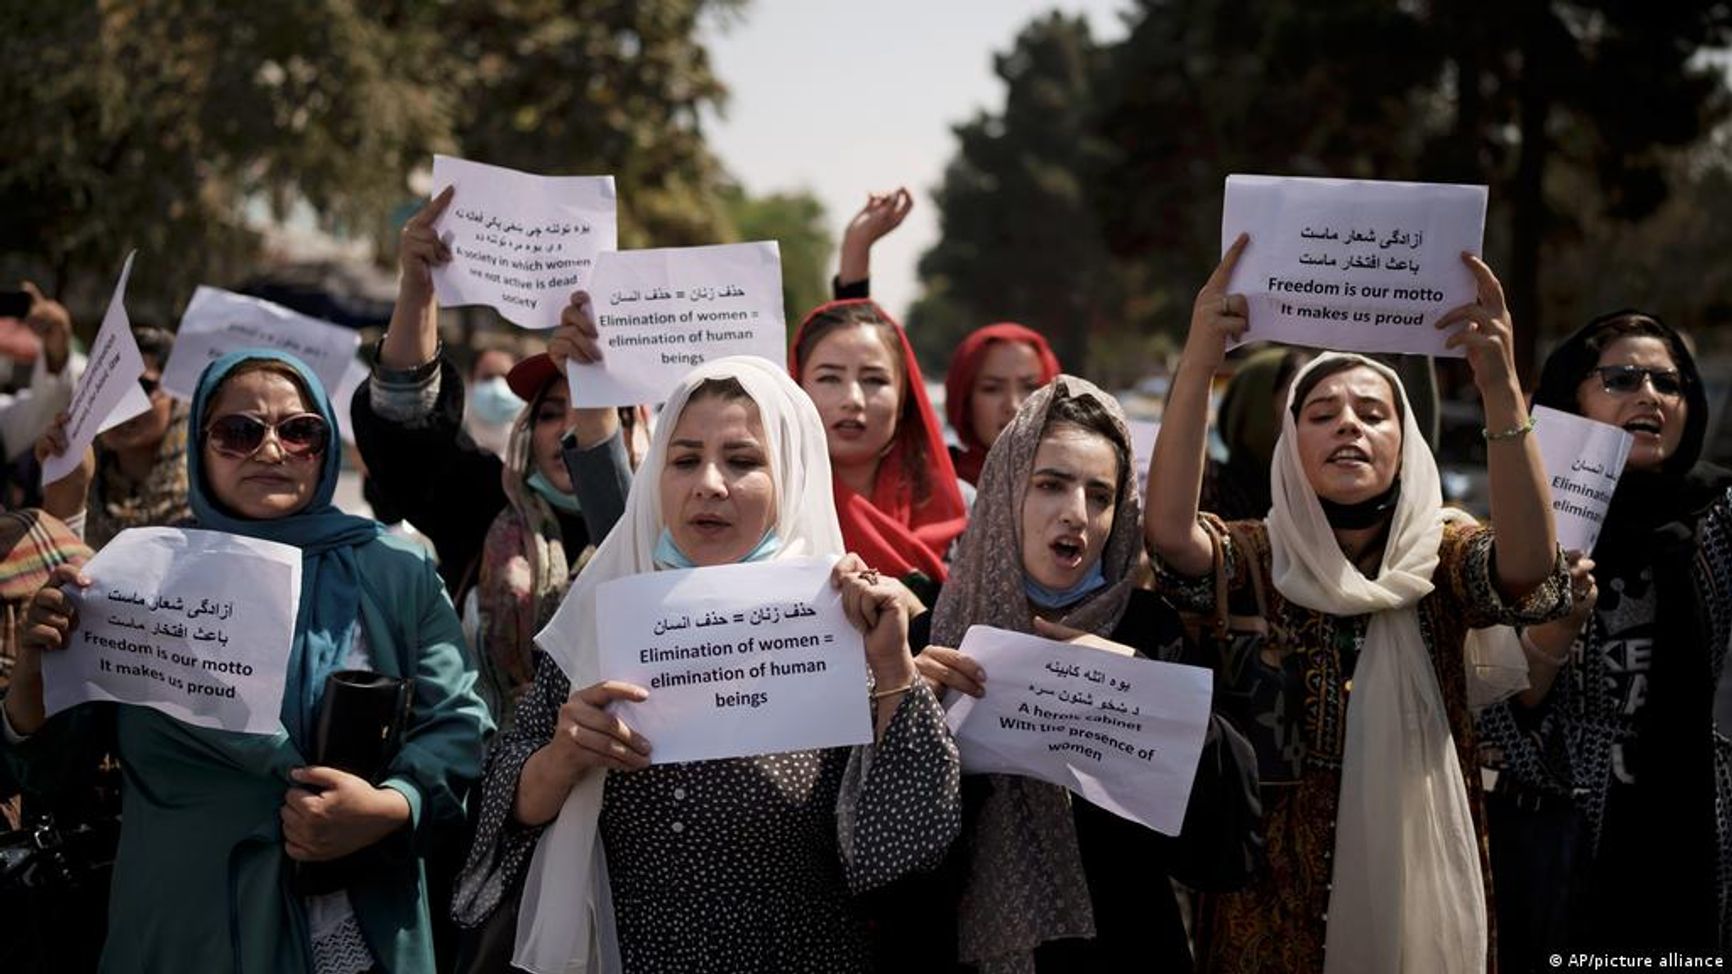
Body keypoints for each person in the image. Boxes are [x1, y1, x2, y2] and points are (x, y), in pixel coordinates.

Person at [453, 356, 961, 973]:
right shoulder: (609, 614)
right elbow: (507, 804)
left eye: (743, 461)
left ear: (792, 477)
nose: (709, 484)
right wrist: (563, 758)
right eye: (686, 458)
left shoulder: (845, 627)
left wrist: (891, 673)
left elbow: (908, 848)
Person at [1146, 235, 1571, 973]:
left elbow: (1530, 570)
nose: (1349, 424)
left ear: (1406, 445)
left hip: (1420, 896)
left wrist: (1500, 384)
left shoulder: (1441, 555)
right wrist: (1198, 361)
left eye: (1374, 413)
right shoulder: (1256, 556)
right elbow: (1169, 537)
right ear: (1288, 443)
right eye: (1322, 413)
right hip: (1267, 912)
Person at [1, 349, 491, 971]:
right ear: (199, 446)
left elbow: (459, 726)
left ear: (324, 446)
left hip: (352, 926)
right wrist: (30, 686)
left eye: (299, 430)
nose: (271, 450)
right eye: (239, 431)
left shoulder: (394, 568)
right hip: (184, 932)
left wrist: (392, 806)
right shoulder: (136, 573)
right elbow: (54, 771)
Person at [909, 375, 1259, 972]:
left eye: (1101, 496)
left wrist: (1146, 691)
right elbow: (889, 868)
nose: (1076, 514)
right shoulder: (931, 635)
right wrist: (905, 715)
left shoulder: (1148, 630)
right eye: (1050, 485)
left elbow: (1220, 853)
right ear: (1005, 492)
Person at [1477, 310, 1732, 962]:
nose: (1649, 395)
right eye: (1621, 378)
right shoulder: (1518, 532)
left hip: (1692, 852)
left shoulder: (1718, 521)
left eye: (1668, 383)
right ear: (1571, 397)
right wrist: (1558, 624)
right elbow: (1502, 716)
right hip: (1561, 858)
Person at [351, 186, 632, 670]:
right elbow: (407, 437)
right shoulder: (484, 508)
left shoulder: (669, 527)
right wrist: (418, 292)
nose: (567, 431)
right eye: (548, 414)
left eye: (588, 410)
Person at [790, 299, 969, 593]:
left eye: (874, 380)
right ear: (796, 390)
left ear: (902, 401)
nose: (853, 399)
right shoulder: (772, 509)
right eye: (829, 378)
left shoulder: (964, 508)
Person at [37, 326, 190, 548]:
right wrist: (63, 483)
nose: (121, 401)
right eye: (110, 386)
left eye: (141, 386)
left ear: (176, 399)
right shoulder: (78, 476)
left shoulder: (202, 494)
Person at [943, 324, 1061, 488]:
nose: (1013, 405)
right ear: (965, 402)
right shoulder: (937, 489)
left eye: (1030, 387)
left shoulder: (1082, 481)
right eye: (992, 389)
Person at [1199, 346, 1308, 521]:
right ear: (1256, 408)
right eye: (1295, 398)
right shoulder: (1210, 492)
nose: (1310, 413)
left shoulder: (1322, 491)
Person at [465, 345, 524, 460]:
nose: (498, 387)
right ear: (471, 381)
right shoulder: (449, 436)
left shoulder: (534, 449)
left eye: (506, 377)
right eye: (488, 377)